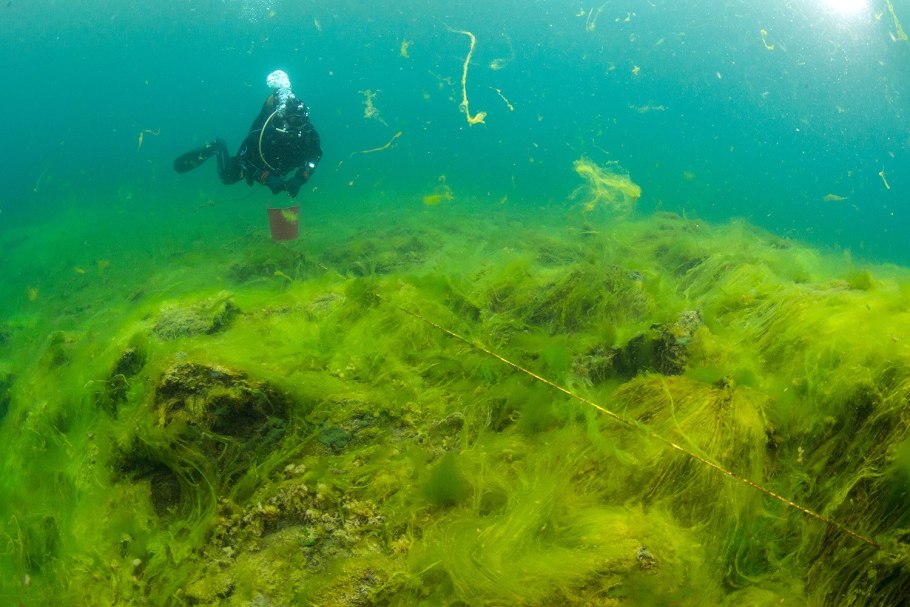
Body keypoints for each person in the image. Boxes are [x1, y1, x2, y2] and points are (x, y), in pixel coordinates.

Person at [174, 70, 322, 198]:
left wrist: (301, 178)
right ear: (283, 119)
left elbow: (315, 157)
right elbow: (243, 158)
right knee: (227, 177)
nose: (297, 127)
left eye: (301, 121)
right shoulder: (267, 132)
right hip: (258, 160)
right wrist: (264, 176)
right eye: (292, 121)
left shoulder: (309, 134)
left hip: (277, 166)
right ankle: (218, 147)